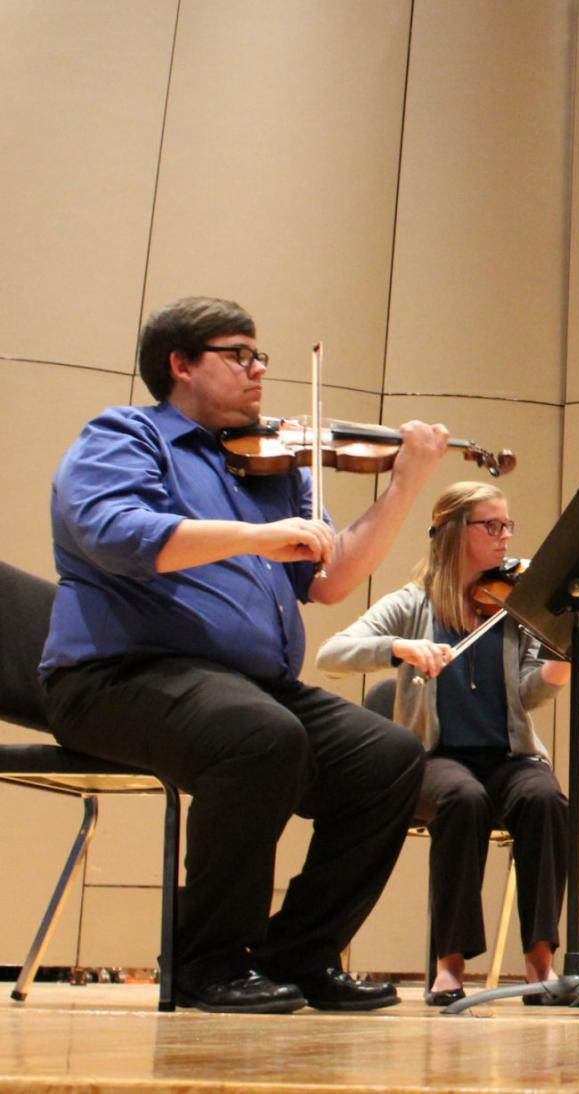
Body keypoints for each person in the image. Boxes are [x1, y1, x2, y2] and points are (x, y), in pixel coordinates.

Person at [40, 296, 449, 1014]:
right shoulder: (125, 436)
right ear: (181, 364)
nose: (260, 371)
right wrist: (255, 536)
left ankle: (301, 953)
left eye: (262, 357)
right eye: (241, 355)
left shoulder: (270, 464)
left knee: (386, 757)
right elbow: (117, 534)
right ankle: (206, 960)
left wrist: (406, 484)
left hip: (244, 687)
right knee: (261, 736)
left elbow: (327, 578)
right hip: (117, 676)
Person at [317, 482, 570, 1007]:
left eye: (508, 527)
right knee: (463, 799)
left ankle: (540, 960)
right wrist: (399, 649)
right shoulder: (412, 605)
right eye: (492, 526)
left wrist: (552, 671)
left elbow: (525, 693)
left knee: (545, 798)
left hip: (506, 757)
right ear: (455, 532)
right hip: (432, 761)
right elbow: (331, 653)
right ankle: (449, 964)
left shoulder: (511, 607)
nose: (505, 538)